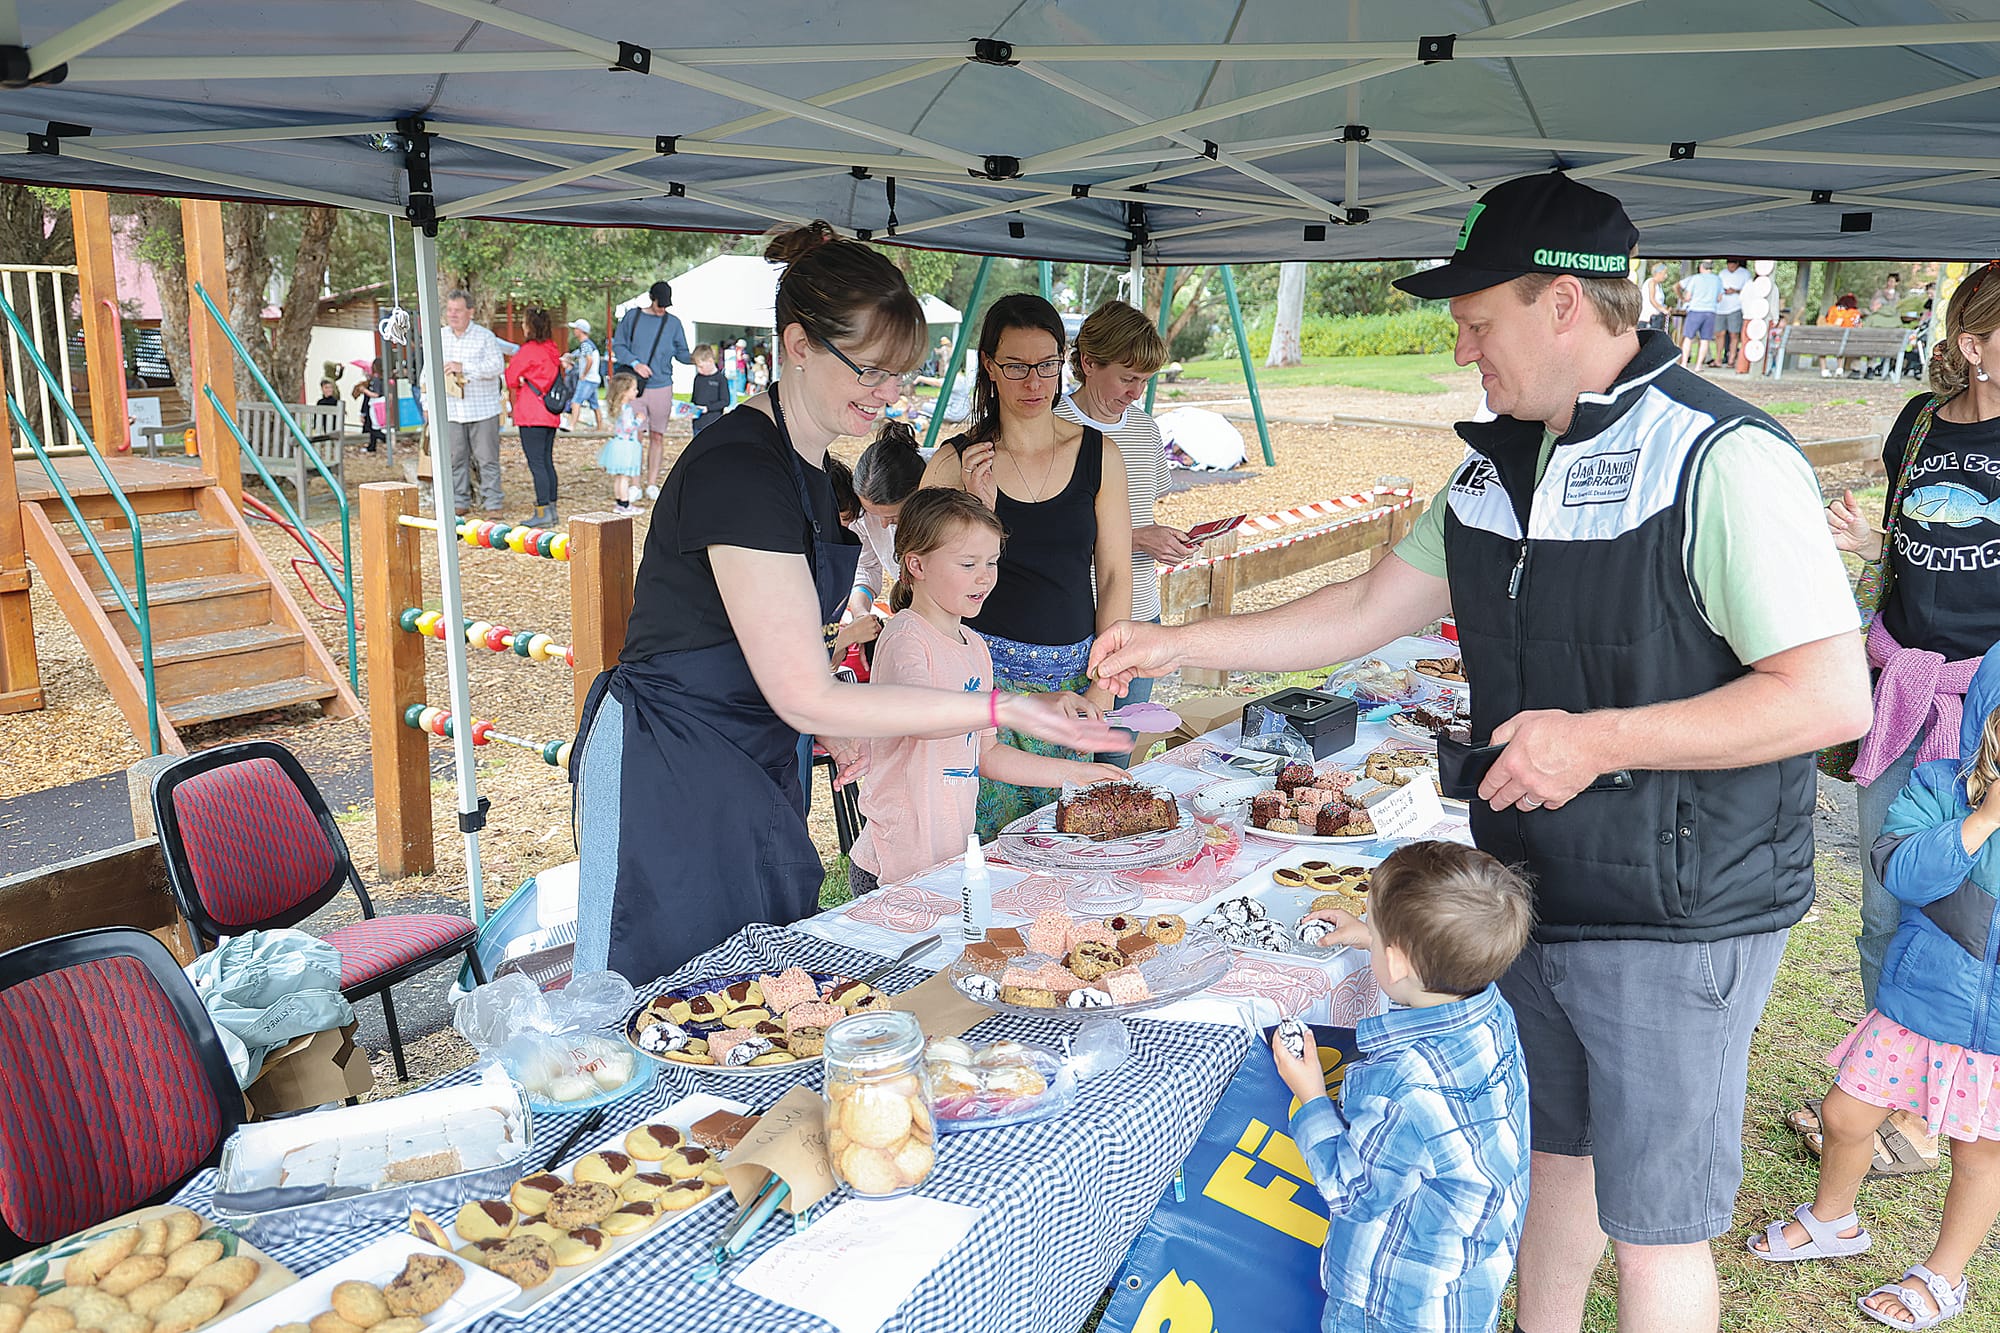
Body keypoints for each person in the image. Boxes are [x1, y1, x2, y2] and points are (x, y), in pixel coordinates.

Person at [1089, 170, 1873, 1333]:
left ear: (1562, 303)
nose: (1463, 351)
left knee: (1654, 1223)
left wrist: (1593, 740)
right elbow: (1363, 610)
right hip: (1528, 890)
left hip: (1678, 907)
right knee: (1549, 1160)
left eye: (1476, 322)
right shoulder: (1489, 464)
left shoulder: (1718, 456)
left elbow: (1826, 697)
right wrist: (1173, 633)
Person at [571, 221, 1122, 982]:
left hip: (758, 752)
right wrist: (1001, 709)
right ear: (798, 345)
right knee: (666, 998)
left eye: (900, 374)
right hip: (674, 767)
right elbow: (805, 691)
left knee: (765, 993)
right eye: (871, 371)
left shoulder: (808, 464)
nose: (890, 395)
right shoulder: (741, 469)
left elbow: (802, 652)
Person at [1747, 648, 2000, 1330]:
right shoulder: (1940, 786)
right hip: (1917, 1005)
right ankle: (1834, 1217)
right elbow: (1903, 873)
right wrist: (1981, 821)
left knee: (1981, 1158)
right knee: (1845, 1115)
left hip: (1997, 1036)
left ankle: (1943, 1275)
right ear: (1989, 724)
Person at [1825, 263, 2000, 1013]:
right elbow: (1912, 540)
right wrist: (1873, 544)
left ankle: (1952, 1093)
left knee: (1972, 919)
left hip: (1987, 708)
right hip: (1904, 691)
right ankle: (1882, 1078)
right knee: (1884, 904)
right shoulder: (1919, 421)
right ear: (1974, 346)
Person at [1275, 841, 1534, 1333]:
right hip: (1464, 1283)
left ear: (1395, 963)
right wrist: (1373, 938)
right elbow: (1421, 979)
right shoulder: (1491, 1011)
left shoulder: (1403, 1084)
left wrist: (1310, 1097)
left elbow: (1354, 1190)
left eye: (1372, 930)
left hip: (1390, 1305)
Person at [920, 292, 1134, 838]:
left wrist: (1100, 688)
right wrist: (973, 510)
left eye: (1046, 365)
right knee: (977, 852)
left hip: (1074, 685)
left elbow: (1113, 575)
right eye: (1015, 366)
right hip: (982, 685)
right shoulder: (956, 460)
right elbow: (916, 584)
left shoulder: (1099, 454)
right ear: (989, 365)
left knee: (1070, 846)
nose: (1033, 383)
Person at [845, 488, 1128, 893]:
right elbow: (923, 719)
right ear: (916, 564)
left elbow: (988, 752)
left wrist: (1079, 775)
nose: (985, 577)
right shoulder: (906, 637)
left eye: (992, 562)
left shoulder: (974, 646)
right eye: (968, 563)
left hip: (947, 860)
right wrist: (1008, 706)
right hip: (893, 865)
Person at [1055, 300, 1188, 767]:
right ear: (1088, 364)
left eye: (1145, 381)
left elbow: (1141, 512)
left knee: (1115, 762)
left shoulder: (1147, 432)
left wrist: (1163, 539)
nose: (1136, 393)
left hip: (1140, 618)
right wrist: (1136, 538)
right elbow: (1044, 532)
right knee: (1064, 766)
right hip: (1070, 620)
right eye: (1127, 378)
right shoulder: (1053, 427)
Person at [611, 280, 695, 500]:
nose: (662, 309)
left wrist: (699, 359)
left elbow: (682, 353)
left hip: (662, 385)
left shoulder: (673, 323)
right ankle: (635, 484)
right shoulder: (633, 317)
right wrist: (635, 362)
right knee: (635, 434)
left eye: (666, 306)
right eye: (660, 305)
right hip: (635, 385)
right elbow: (618, 345)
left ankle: (652, 483)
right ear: (652, 299)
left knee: (657, 435)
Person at [433, 289, 508, 515]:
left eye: (458, 310)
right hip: (451, 411)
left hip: (483, 409)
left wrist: (464, 368)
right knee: (455, 459)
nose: (452, 315)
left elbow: (497, 367)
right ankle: (459, 503)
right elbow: (428, 374)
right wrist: (427, 405)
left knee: (487, 460)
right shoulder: (439, 337)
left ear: (471, 312)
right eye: (449, 310)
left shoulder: (485, 337)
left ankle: (493, 503)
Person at [848, 422, 928, 619]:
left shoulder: (941, 480)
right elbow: (866, 567)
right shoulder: (861, 507)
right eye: (873, 515)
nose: (883, 525)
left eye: (893, 516)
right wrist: (860, 613)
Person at [503, 308, 567, 529]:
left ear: (530, 326)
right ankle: (552, 510)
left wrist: (520, 381)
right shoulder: (552, 348)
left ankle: (542, 512)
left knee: (537, 464)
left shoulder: (528, 350)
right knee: (547, 462)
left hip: (531, 413)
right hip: (550, 413)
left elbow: (510, 377)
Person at [596, 370, 646, 515]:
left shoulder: (619, 408)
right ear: (624, 391)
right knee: (624, 477)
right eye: (634, 389)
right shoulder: (627, 409)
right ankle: (625, 504)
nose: (636, 391)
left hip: (618, 443)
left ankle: (619, 502)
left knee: (619, 477)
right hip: (626, 445)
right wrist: (639, 420)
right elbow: (628, 428)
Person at [1678, 258, 1722, 369]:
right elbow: (1719, 298)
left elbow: (1688, 296)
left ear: (1701, 267)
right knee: (1705, 339)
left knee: (1688, 337)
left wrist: (1686, 299)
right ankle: (1698, 365)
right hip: (1710, 311)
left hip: (1696, 310)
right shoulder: (1718, 280)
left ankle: (1684, 363)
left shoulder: (1696, 278)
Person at [563, 318, 601, 432]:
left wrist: (584, 374)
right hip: (594, 379)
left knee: (576, 402)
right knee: (594, 405)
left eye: (575, 329)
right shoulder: (588, 345)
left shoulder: (585, 345)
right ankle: (599, 428)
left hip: (588, 379)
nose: (574, 331)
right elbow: (578, 355)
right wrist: (569, 356)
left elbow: (589, 360)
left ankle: (571, 426)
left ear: (580, 330)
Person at [689, 343, 731, 434]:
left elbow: (725, 401)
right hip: (698, 424)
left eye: (701, 366)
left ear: (710, 361)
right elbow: (694, 398)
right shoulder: (698, 378)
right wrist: (691, 409)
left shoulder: (720, 379)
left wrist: (708, 408)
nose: (698, 370)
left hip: (713, 423)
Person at [1717, 257, 1750, 368]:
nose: (1730, 266)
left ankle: (1731, 358)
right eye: (1728, 264)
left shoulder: (1745, 274)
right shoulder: (1722, 273)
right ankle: (1718, 359)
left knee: (1734, 334)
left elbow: (1748, 291)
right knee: (1719, 333)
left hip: (1735, 306)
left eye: (1732, 264)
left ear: (1737, 264)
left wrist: (1735, 290)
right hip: (1721, 307)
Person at [352, 358, 386, 452]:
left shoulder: (375, 380)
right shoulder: (382, 378)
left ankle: (385, 438)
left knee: (373, 426)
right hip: (380, 403)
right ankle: (372, 445)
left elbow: (376, 394)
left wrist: (364, 390)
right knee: (373, 425)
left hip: (375, 404)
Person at [1639, 262, 1670, 333]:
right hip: (1649, 318)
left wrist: (1665, 307)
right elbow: (1652, 299)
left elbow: (1659, 301)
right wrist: (1663, 310)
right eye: (1664, 273)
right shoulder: (1651, 282)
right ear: (1659, 273)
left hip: (1656, 317)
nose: (1666, 276)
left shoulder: (1659, 285)